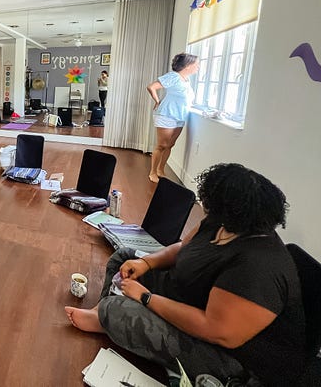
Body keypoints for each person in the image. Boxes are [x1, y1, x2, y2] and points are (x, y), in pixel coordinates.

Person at [64, 163, 305, 386]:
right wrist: (147, 263)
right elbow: (182, 249)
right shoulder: (221, 223)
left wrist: (146, 298)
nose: (205, 207)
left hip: (225, 356)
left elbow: (216, 330)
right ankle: (104, 316)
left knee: (117, 311)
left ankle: (107, 316)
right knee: (124, 258)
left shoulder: (257, 265)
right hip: (189, 296)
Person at [146, 53, 199, 183]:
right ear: (187, 66)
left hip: (180, 116)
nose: (198, 67)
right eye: (196, 65)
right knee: (162, 145)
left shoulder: (186, 80)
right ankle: (152, 172)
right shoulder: (173, 76)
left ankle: (160, 170)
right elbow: (151, 87)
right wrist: (157, 101)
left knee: (170, 145)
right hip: (166, 114)